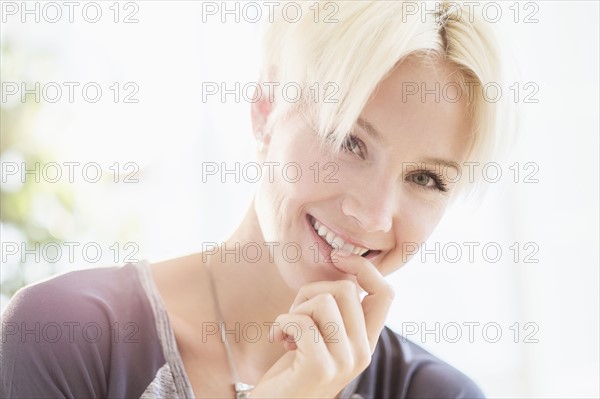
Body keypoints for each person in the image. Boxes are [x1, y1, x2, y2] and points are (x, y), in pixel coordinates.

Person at [1, 1, 504, 398]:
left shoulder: (441, 394)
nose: (373, 214)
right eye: (349, 141)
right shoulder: (68, 337)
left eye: (425, 179)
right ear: (266, 109)